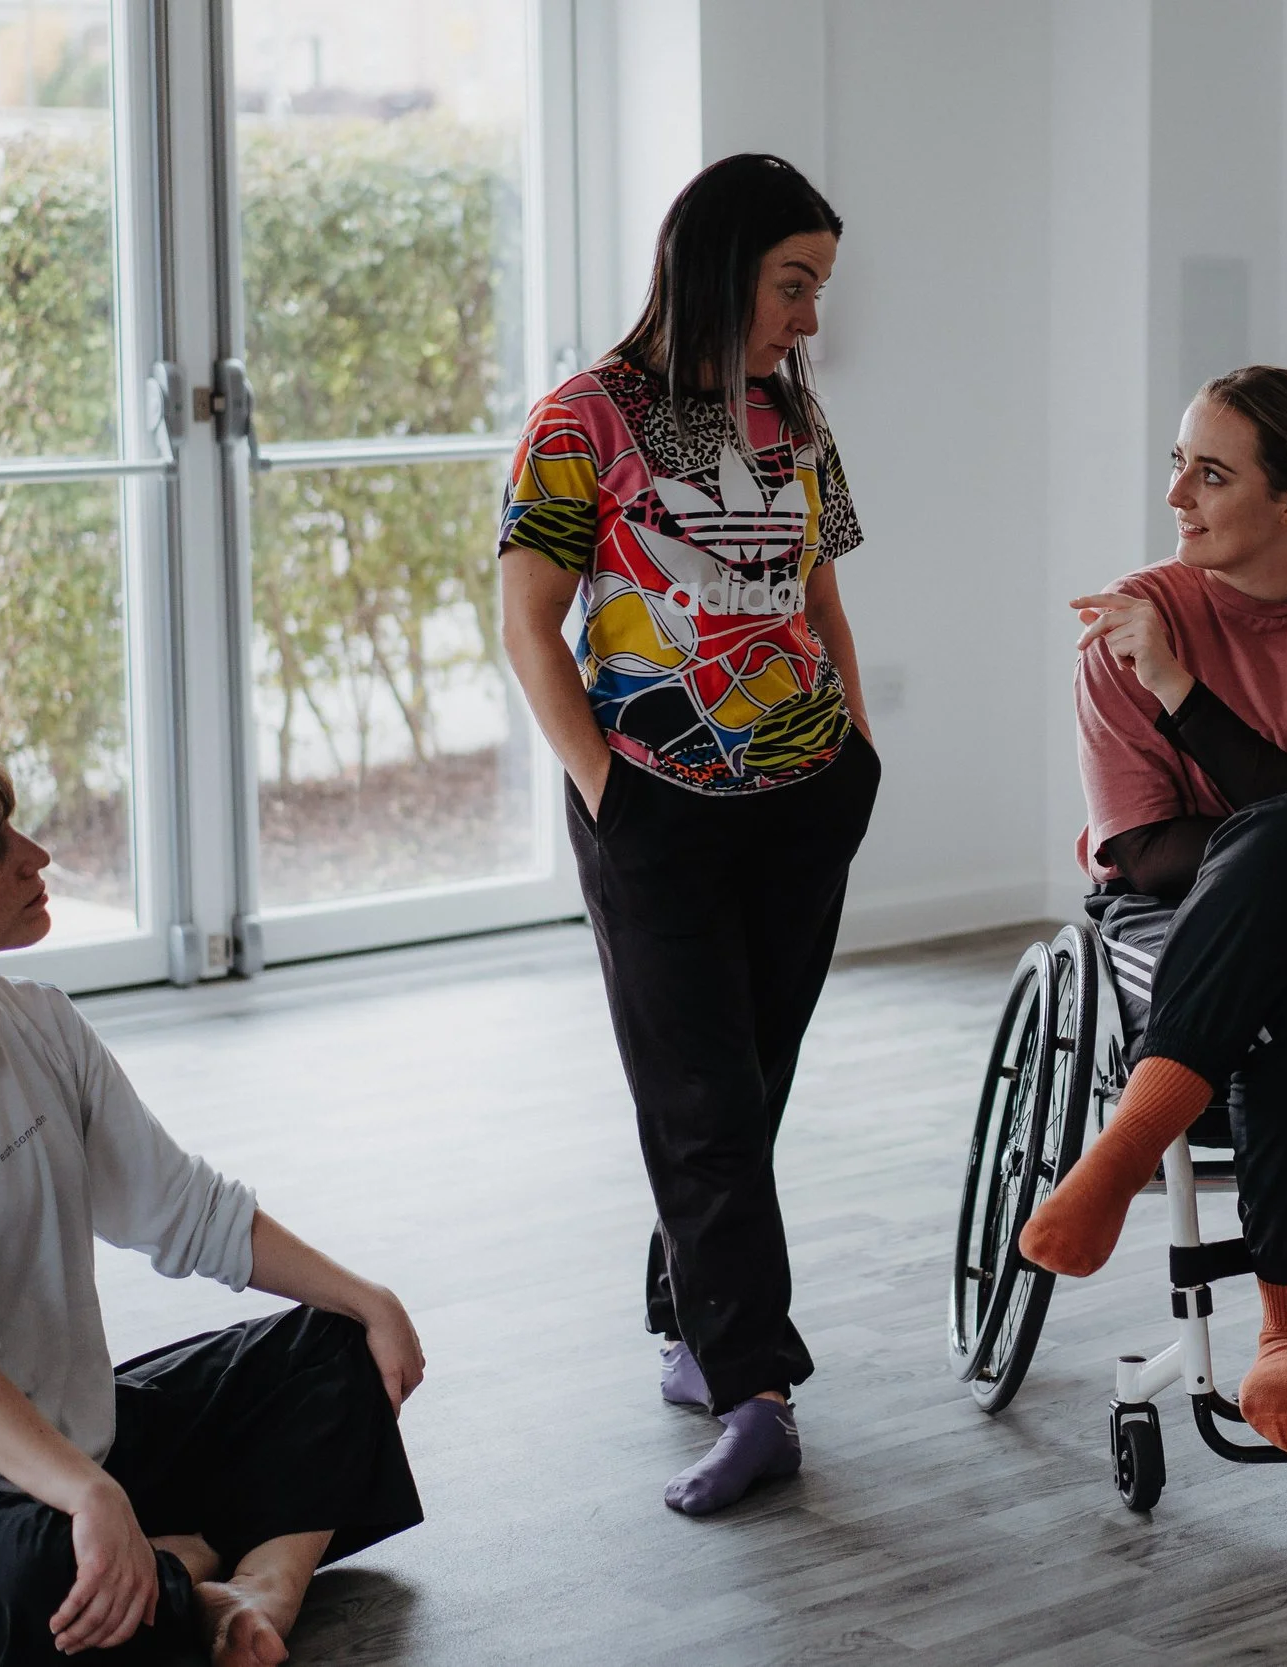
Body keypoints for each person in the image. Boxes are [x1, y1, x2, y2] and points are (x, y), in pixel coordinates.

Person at [0, 746, 426, 1667]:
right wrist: (90, 1497)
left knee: (336, 1347)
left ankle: (247, 1588)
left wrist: (367, 1298)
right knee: (49, 1577)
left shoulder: (39, 1022)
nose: (36, 856)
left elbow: (182, 1208)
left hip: (79, 1447)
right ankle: (184, 1569)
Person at [497, 152, 878, 1516]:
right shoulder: (583, 418)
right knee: (701, 1097)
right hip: (655, 801)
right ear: (717, 268)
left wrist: (857, 743)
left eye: (818, 286)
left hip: (807, 791)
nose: (811, 316)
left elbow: (817, 591)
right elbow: (527, 622)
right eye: (793, 284)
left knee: (746, 1084)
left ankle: (691, 1317)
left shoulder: (790, 412)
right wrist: (607, 788)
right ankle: (757, 1390)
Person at [1017, 364, 1287, 1457]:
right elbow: (1141, 850)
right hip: (1181, 922)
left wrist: (1181, 694)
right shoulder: (1133, 617)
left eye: (1211, 474)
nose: (1177, 495)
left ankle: (1126, 1145)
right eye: (1178, 465)